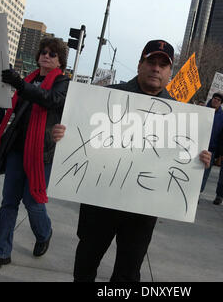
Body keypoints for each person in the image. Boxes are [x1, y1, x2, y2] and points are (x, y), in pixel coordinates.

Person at [52, 40, 212, 282]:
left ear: (170, 73)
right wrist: (63, 135)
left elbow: (180, 162)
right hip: (100, 202)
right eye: (151, 62)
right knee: (86, 263)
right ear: (140, 65)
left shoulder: (183, 115)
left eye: (163, 65)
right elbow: (78, 136)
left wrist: (198, 160)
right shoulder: (106, 97)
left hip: (142, 208)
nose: (156, 69)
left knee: (128, 272)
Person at [0, 38, 69, 267]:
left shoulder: (62, 82)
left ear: (60, 60)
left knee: (32, 202)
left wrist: (20, 85)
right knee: (9, 202)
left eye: (53, 54)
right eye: (43, 52)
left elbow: (50, 100)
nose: (46, 56)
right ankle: (2, 252)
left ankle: (44, 233)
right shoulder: (30, 78)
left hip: (41, 153)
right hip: (16, 149)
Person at [200, 93, 223, 193]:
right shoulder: (202, 110)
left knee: (204, 173)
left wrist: (219, 152)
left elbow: (222, 135)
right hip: (198, 146)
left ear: (221, 103)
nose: (215, 101)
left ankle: (198, 193)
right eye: (214, 98)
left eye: (218, 100)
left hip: (211, 149)